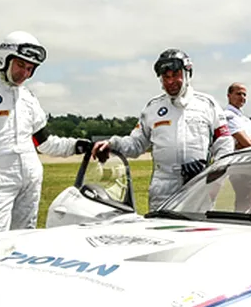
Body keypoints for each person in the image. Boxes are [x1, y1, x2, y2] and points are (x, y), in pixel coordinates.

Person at [0, 31, 91, 232]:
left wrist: (76, 146)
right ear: (4, 59)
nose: (25, 74)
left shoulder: (29, 98)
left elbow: (45, 142)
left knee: (25, 238)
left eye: (30, 69)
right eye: (21, 65)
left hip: (31, 179)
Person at [91, 49, 232, 211]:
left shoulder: (208, 104)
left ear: (187, 74)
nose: (170, 81)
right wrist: (112, 144)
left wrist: (215, 174)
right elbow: (136, 143)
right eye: (166, 77)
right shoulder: (153, 107)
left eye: (175, 75)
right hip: (163, 186)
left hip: (198, 183)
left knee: (198, 233)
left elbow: (224, 142)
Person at [225, 83, 251, 149]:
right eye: (238, 94)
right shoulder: (228, 116)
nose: (242, 97)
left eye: (244, 94)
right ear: (229, 96)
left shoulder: (245, 119)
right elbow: (248, 144)